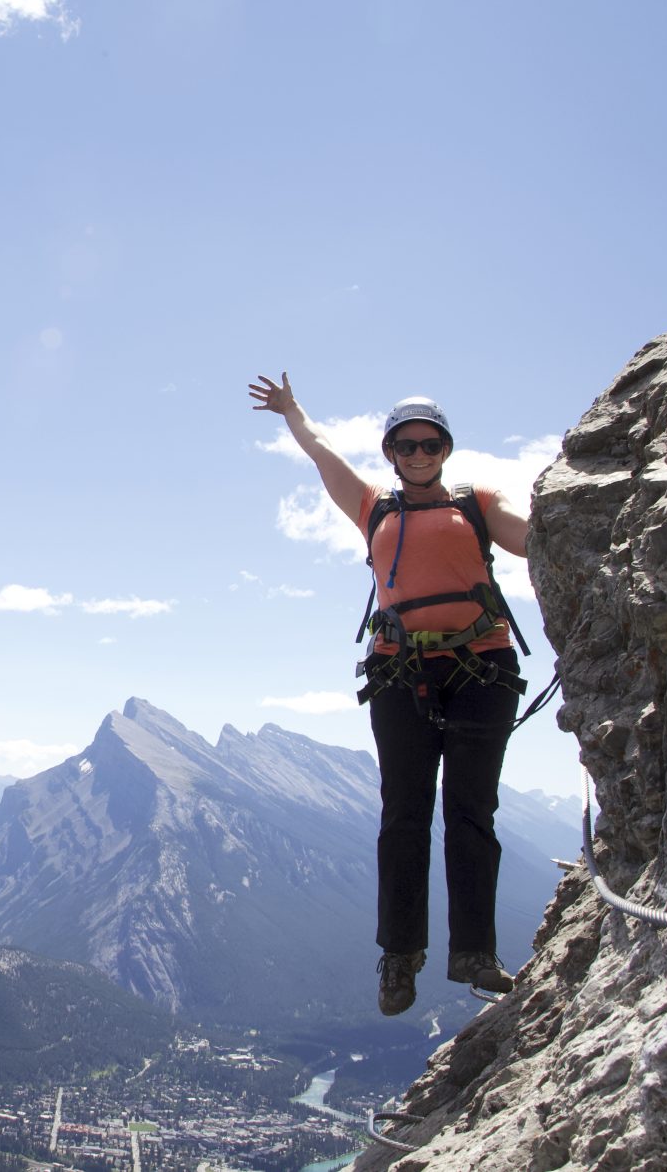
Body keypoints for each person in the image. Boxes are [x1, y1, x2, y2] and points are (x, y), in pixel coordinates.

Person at [250, 372, 530, 1016]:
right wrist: (293, 410)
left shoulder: (480, 503)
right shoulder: (374, 506)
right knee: (403, 814)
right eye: (406, 445)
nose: (419, 455)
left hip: (481, 668)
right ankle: (400, 957)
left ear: (446, 449)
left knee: (470, 810)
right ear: (391, 454)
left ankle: (474, 955)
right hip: (400, 671)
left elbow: (526, 532)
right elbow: (323, 451)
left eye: (430, 444)